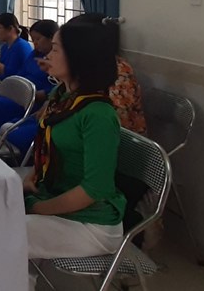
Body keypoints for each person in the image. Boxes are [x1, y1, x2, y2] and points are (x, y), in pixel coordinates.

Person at [21, 19, 126, 281]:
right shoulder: (62, 96)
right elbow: (49, 145)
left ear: (79, 58)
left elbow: (94, 189)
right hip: (55, 198)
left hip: (91, 223)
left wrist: (39, 208)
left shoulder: (98, 115)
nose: (48, 55)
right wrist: (34, 176)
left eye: (56, 49)